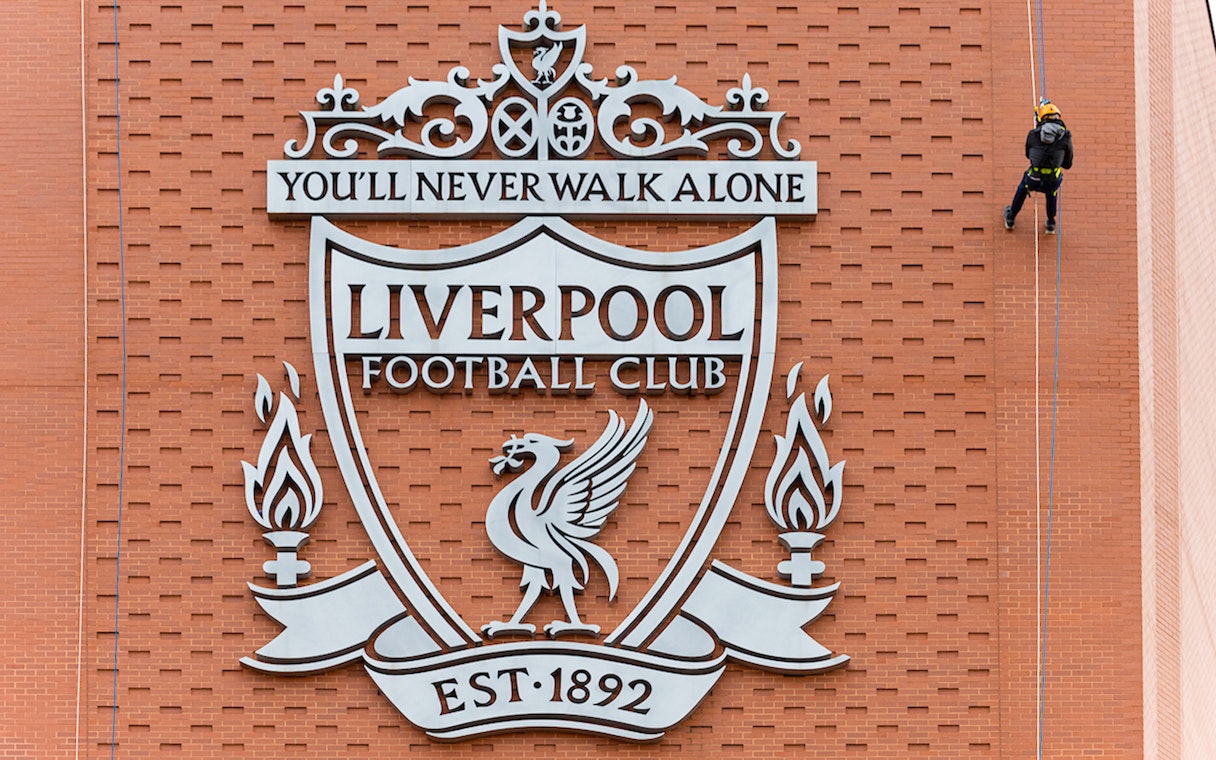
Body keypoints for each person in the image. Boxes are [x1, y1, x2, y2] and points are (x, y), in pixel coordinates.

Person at [1003, 101, 1073, 234]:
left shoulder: (1033, 134)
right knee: (1051, 193)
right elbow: (1068, 164)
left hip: (1034, 177)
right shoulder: (1065, 137)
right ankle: (1051, 223)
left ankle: (1011, 218)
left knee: (1023, 188)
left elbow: (1028, 154)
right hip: (1052, 179)